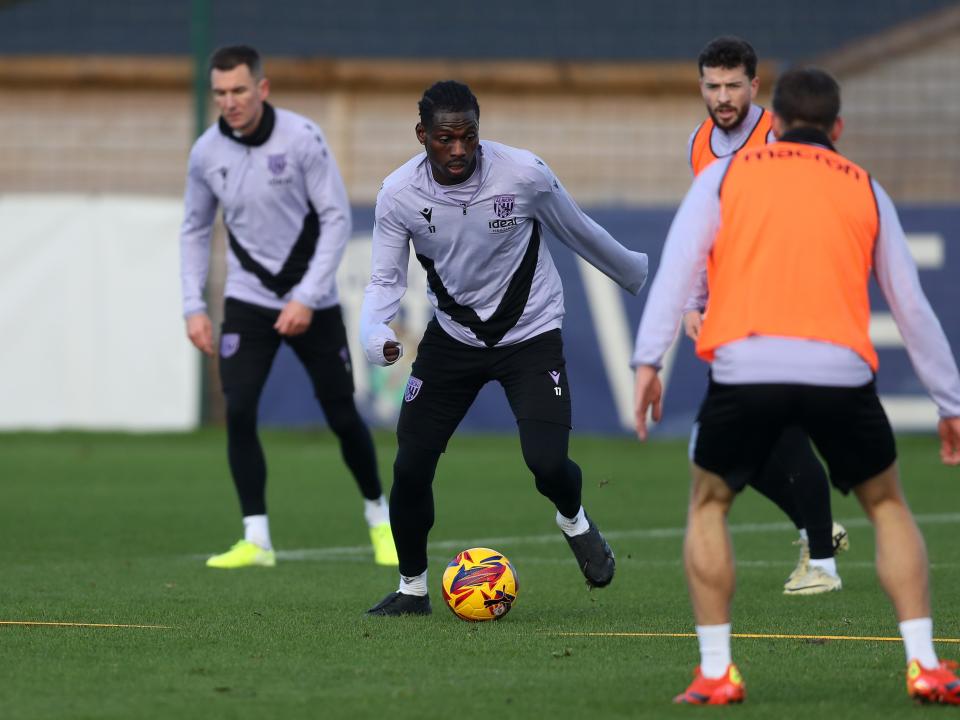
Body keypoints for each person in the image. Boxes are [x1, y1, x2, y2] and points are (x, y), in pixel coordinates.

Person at [633, 67, 960, 705]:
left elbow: (677, 269)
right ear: (837, 127)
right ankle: (924, 664)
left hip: (746, 365)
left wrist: (648, 361)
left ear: (774, 122)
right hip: (839, 369)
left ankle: (716, 672)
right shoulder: (865, 186)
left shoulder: (724, 175)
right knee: (887, 506)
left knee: (709, 505)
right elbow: (912, 308)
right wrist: (950, 402)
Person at [361, 80, 648, 616]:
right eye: (445, 138)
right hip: (454, 338)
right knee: (411, 466)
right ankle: (413, 589)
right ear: (422, 135)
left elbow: (578, 231)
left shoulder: (523, 174)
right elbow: (384, 280)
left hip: (531, 333)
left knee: (546, 463)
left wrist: (637, 275)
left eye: (468, 136)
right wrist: (375, 334)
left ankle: (573, 520)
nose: (458, 149)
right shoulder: (398, 194)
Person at [178, 45, 398, 569]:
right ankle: (257, 540)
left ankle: (380, 518)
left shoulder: (302, 139)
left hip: (313, 300)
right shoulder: (206, 152)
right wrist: (193, 306)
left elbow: (336, 218)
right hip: (247, 299)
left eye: (239, 90)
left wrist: (305, 296)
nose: (229, 101)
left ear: (262, 88)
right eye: (220, 93)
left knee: (341, 415)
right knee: (238, 409)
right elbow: (194, 229)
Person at [685, 36, 847, 596]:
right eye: (713, 85)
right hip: (731, 311)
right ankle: (818, 533)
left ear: (755, 86)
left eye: (734, 85)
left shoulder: (779, 137)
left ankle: (821, 560)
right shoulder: (699, 143)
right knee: (725, 445)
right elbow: (705, 229)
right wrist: (694, 300)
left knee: (784, 433)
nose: (723, 96)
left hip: (784, 305)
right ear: (701, 86)